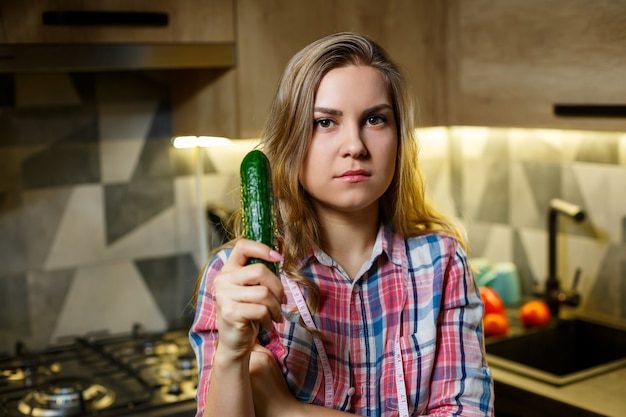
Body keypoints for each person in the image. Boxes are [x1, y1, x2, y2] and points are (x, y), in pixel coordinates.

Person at [189, 32, 494, 417]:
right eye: (325, 122)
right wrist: (232, 352)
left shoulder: (441, 263)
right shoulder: (239, 276)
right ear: (291, 140)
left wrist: (289, 411)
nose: (355, 145)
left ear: (398, 137)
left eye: (374, 119)